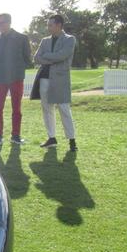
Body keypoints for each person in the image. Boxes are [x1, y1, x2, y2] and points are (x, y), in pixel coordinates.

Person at [32, 14, 77, 151]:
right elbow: (36, 58)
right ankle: (51, 137)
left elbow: (62, 55)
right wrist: (53, 59)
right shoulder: (45, 41)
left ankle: (72, 141)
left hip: (60, 79)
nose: (48, 27)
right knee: (47, 109)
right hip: (44, 78)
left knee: (64, 109)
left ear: (59, 25)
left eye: (50, 25)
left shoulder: (70, 39)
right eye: (48, 25)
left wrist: (47, 57)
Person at [0, 13, 32, 145]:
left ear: (9, 22)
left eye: (1, 23)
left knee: (16, 109)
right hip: (0, 79)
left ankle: (15, 136)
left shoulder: (22, 38)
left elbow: (27, 59)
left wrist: (18, 67)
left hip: (16, 78)